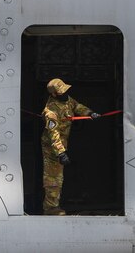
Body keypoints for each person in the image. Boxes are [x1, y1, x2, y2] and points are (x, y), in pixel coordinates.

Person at [41, 78, 100, 215]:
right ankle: (51, 208)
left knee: (58, 176)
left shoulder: (66, 100)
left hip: (63, 142)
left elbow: (76, 106)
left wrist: (90, 113)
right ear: (54, 95)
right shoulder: (51, 112)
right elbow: (53, 134)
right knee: (53, 177)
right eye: (61, 92)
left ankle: (53, 206)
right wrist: (60, 153)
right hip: (52, 147)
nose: (65, 93)